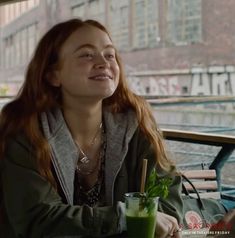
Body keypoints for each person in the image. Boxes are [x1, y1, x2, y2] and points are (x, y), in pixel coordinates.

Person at [0, 19, 183, 238]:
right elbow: (38, 220)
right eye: (86, 54)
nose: (103, 62)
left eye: (109, 54)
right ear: (53, 75)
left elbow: (169, 207)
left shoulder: (136, 123)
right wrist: (123, 218)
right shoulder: (25, 133)